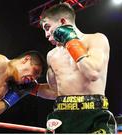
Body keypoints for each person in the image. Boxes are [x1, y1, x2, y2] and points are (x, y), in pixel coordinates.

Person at [34, 2, 117, 133]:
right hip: (62, 116)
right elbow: (55, 92)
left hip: (94, 113)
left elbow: (93, 73)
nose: (46, 35)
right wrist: (32, 88)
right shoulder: (52, 55)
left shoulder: (96, 40)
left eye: (48, 27)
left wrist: (71, 41)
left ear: (62, 21)